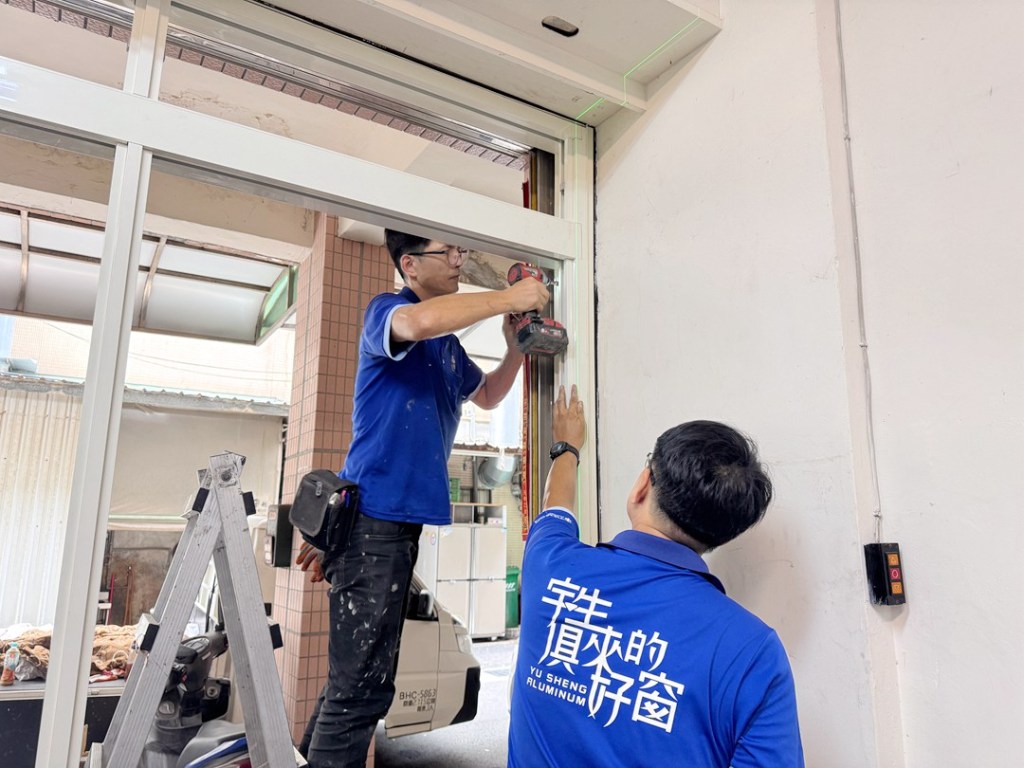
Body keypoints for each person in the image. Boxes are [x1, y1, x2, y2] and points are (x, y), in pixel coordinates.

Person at [295, 230, 550, 768]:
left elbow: (488, 395)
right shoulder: (388, 312)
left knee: (355, 683)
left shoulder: (447, 347)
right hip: (372, 522)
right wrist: (508, 297)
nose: (458, 260)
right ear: (409, 265)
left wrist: (513, 348)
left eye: (459, 251)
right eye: (447, 252)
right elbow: (415, 323)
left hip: (390, 527)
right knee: (359, 693)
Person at [509, 385, 804, 767]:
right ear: (723, 535)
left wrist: (567, 446)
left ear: (642, 486)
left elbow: (555, 503)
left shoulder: (550, 564)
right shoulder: (754, 654)